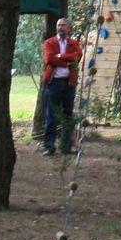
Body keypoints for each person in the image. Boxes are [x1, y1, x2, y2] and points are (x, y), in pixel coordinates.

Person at [41, 17, 83, 156]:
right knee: (51, 115)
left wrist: (60, 56)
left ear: (69, 28)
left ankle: (66, 146)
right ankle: (49, 146)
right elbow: (49, 59)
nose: (60, 27)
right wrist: (66, 62)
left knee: (68, 116)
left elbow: (77, 56)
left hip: (69, 83)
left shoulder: (74, 43)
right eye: (58, 25)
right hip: (54, 83)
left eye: (63, 25)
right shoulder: (49, 42)